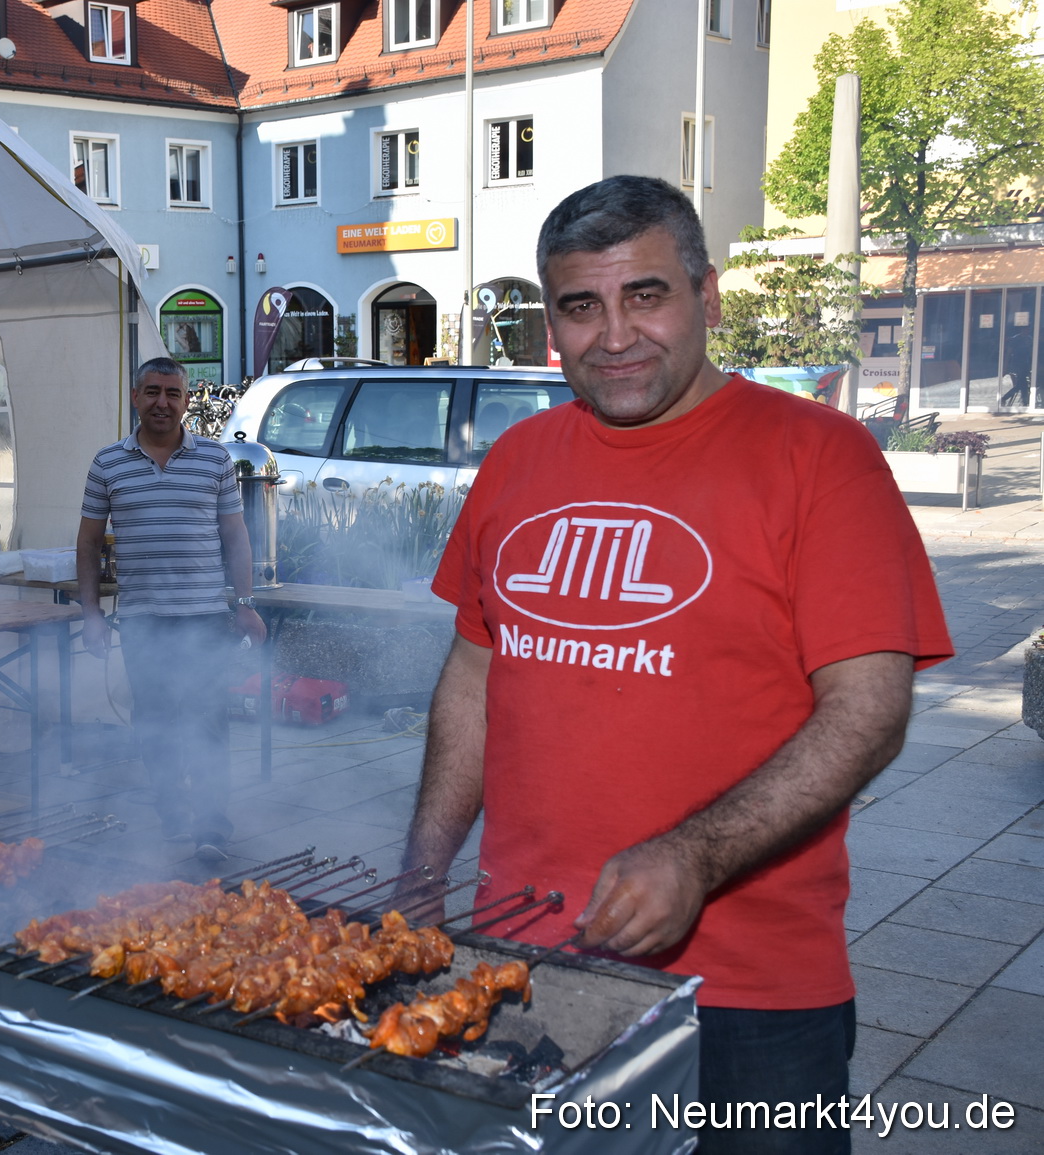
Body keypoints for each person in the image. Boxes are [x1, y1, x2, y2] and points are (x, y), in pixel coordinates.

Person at [398, 176, 952, 1155]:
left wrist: (694, 855)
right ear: (550, 325)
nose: (613, 335)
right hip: (520, 964)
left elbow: (867, 711)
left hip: (745, 994)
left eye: (644, 296)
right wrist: (422, 867)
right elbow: (475, 680)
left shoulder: (819, 457)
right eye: (581, 306)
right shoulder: (516, 462)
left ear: (708, 296)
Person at [76, 357, 267, 864]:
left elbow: (235, 535)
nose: (163, 402)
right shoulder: (107, 463)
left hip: (205, 618)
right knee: (155, 724)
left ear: (187, 401)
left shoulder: (214, 460)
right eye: (153, 391)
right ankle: (171, 813)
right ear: (135, 396)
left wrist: (245, 603)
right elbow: (88, 544)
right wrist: (92, 614)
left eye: (173, 393)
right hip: (143, 621)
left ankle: (212, 829)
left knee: (208, 724)